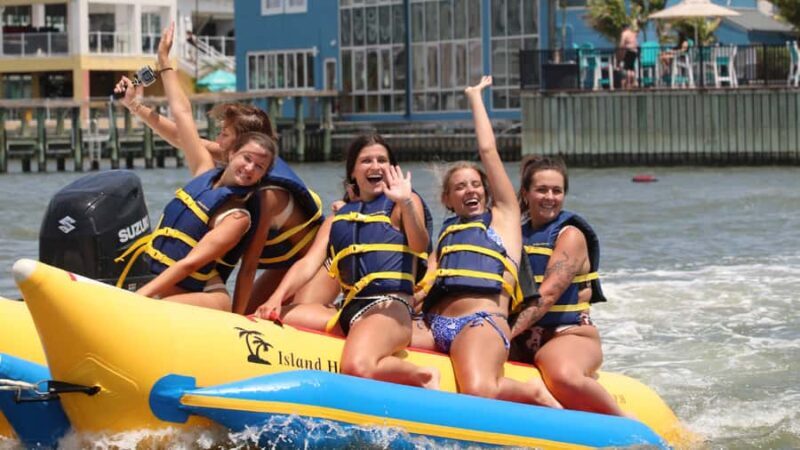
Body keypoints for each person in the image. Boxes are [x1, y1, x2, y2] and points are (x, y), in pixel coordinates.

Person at [113, 55, 338, 317]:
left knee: (283, 319)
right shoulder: (239, 163)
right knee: (254, 311)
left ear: (240, 143)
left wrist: (237, 323)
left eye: (224, 134)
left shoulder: (266, 195)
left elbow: (249, 266)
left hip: (320, 262)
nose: (217, 139)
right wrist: (136, 103)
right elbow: (182, 133)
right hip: (287, 263)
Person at [418, 76, 560, 408]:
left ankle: (534, 394)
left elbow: (487, 150)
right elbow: (426, 283)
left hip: (479, 323)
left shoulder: (504, 218)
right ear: (448, 199)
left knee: (478, 391)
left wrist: (475, 97)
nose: (470, 190)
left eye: (475, 185)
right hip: (435, 325)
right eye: (460, 187)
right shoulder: (449, 235)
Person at [114, 22, 276, 311]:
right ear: (233, 153)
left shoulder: (237, 214)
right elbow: (182, 117)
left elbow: (197, 263)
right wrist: (161, 67)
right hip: (174, 279)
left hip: (203, 294)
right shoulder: (205, 168)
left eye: (258, 166)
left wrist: (137, 300)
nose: (250, 168)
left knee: (162, 303)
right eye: (246, 159)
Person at [256, 134, 439, 389]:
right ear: (353, 171)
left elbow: (419, 243)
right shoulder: (338, 219)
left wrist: (406, 201)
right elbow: (308, 264)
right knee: (272, 317)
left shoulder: (403, 205)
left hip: (389, 308)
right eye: (366, 161)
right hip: (347, 311)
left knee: (356, 367)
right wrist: (276, 298)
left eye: (381, 160)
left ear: (392, 168)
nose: (375, 166)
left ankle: (424, 375)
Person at [508, 155, 627, 417]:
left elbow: (548, 295)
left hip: (568, 334)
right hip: (523, 337)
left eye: (557, 190)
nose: (549, 196)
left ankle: (630, 427)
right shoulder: (514, 233)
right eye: (541, 189)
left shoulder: (570, 235)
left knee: (562, 376)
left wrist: (504, 335)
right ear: (526, 193)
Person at [619, 24, 639, 89]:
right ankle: (634, 82)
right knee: (631, 67)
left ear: (623, 28)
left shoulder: (624, 34)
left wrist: (620, 54)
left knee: (626, 68)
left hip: (629, 51)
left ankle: (629, 83)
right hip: (635, 51)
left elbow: (622, 44)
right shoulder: (632, 33)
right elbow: (636, 43)